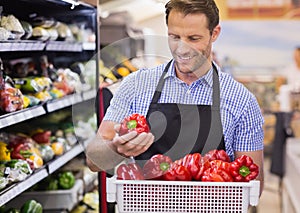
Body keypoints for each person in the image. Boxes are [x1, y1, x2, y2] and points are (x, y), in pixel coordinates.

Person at [86, 0, 264, 196]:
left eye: (194, 38)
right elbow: (93, 161)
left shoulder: (241, 101)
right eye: (174, 37)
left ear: (214, 33)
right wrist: (116, 149)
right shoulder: (136, 86)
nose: (182, 49)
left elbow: (253, 187)